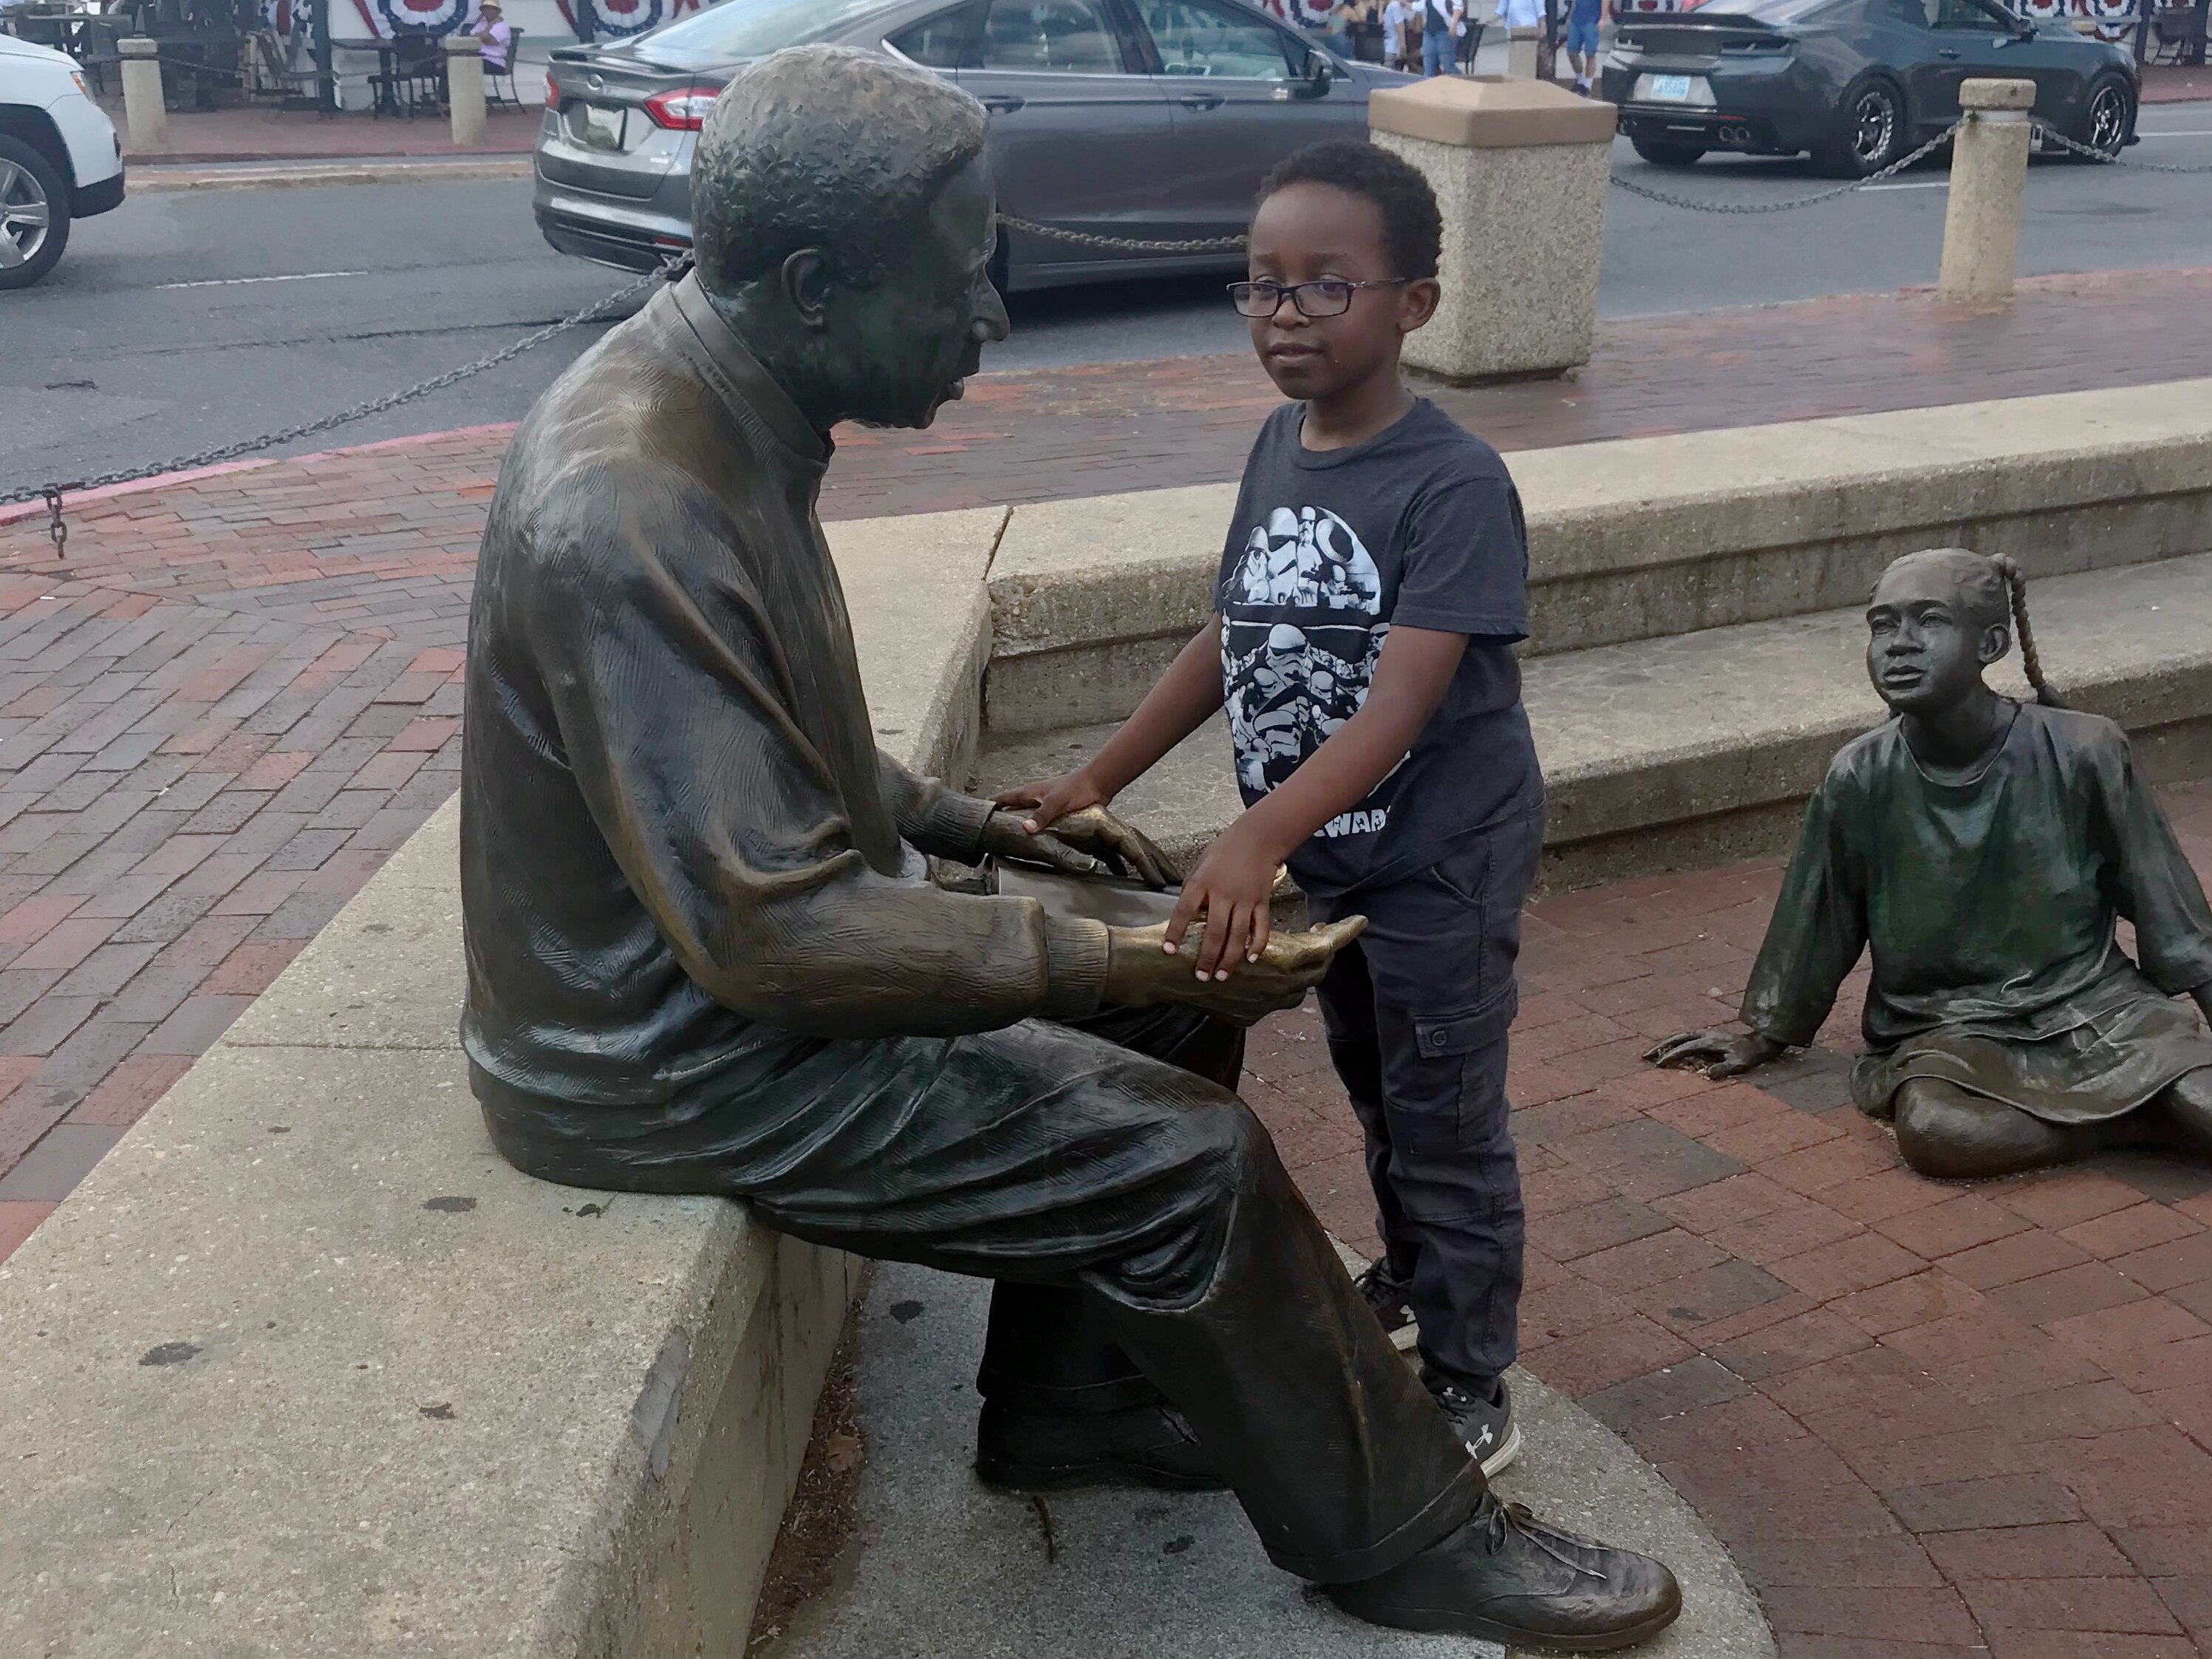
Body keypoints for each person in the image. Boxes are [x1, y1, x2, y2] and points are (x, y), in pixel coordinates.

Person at [463, 44, 1679, 1654]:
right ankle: (1410, 1539)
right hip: (668, 1055)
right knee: (1191, 1156)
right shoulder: (639, 502)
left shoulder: (721, 406)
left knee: (1167, 993)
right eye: (964, 276)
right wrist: (1125, 947)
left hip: (706, 985)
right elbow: (771, 937)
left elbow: (776, 734)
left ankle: (1075, 1401)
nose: (994, 318)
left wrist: (984, 828)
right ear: (820, 283)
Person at [1002, 139, 1549, 1491]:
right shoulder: (1275, 445)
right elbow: (1227, 633)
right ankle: (1413, 1276)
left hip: (1441, 859)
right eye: (1260, 287)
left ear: (1411, 303)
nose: (1284, 315)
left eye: (1324, 287)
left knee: (1444, 1109)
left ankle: (1475, 1377)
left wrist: (1248, 839)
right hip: (1338, 854)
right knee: (1378, 1084)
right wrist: (1097, 777)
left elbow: (1397, 709)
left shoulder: (1452, 482)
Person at [1651, 548, 2212, 1180]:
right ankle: (2127, 1122)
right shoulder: (1859, 775)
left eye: (1930, 621)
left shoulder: (2085, 748)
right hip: (1946, 1025)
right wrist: (1764, 1031)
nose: (1900, 644)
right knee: (1941, 1132)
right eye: (1882, 625)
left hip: (2096, 1003)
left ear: (1990, 643)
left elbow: (2171, 905)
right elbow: (1819, 914)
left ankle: (2107, 1117)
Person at [1563, 0, 1602, 91]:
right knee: (1572, 52)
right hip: (1576, 20)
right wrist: (1569, 17)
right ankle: (1580, 80)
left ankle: (1588, 85)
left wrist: (1603, 19)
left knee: (1590, 54)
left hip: (1592, 21)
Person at [1419, 0, 1464, 73]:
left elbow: (1458, 6)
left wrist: (1453, 24)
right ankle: (1429, 82)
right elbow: (1420, 5)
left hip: (1445, 31)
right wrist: (1403, 4)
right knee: (1428, 64)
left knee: (1447, 64)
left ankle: (1460, 80)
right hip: (1429, 31)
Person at [470, 0, 511, 72]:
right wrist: (481, 35)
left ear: (497, 11)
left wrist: (490, 26)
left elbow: (488, 40)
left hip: (494, 61)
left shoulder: (502, 26)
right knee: (455, 62)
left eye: (491, 9)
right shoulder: (482, 22)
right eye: (485, 9)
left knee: (468, 65)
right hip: (479, 57)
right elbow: (471, 37)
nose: (488, 11)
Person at [1380, 0, 1413, 69]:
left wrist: (1402, 46)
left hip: (1392, 48)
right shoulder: (1395, 6)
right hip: (1392, 48)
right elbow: (1399, 26)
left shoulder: (1393, 6)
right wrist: (1403, 46)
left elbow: (1399, 25)